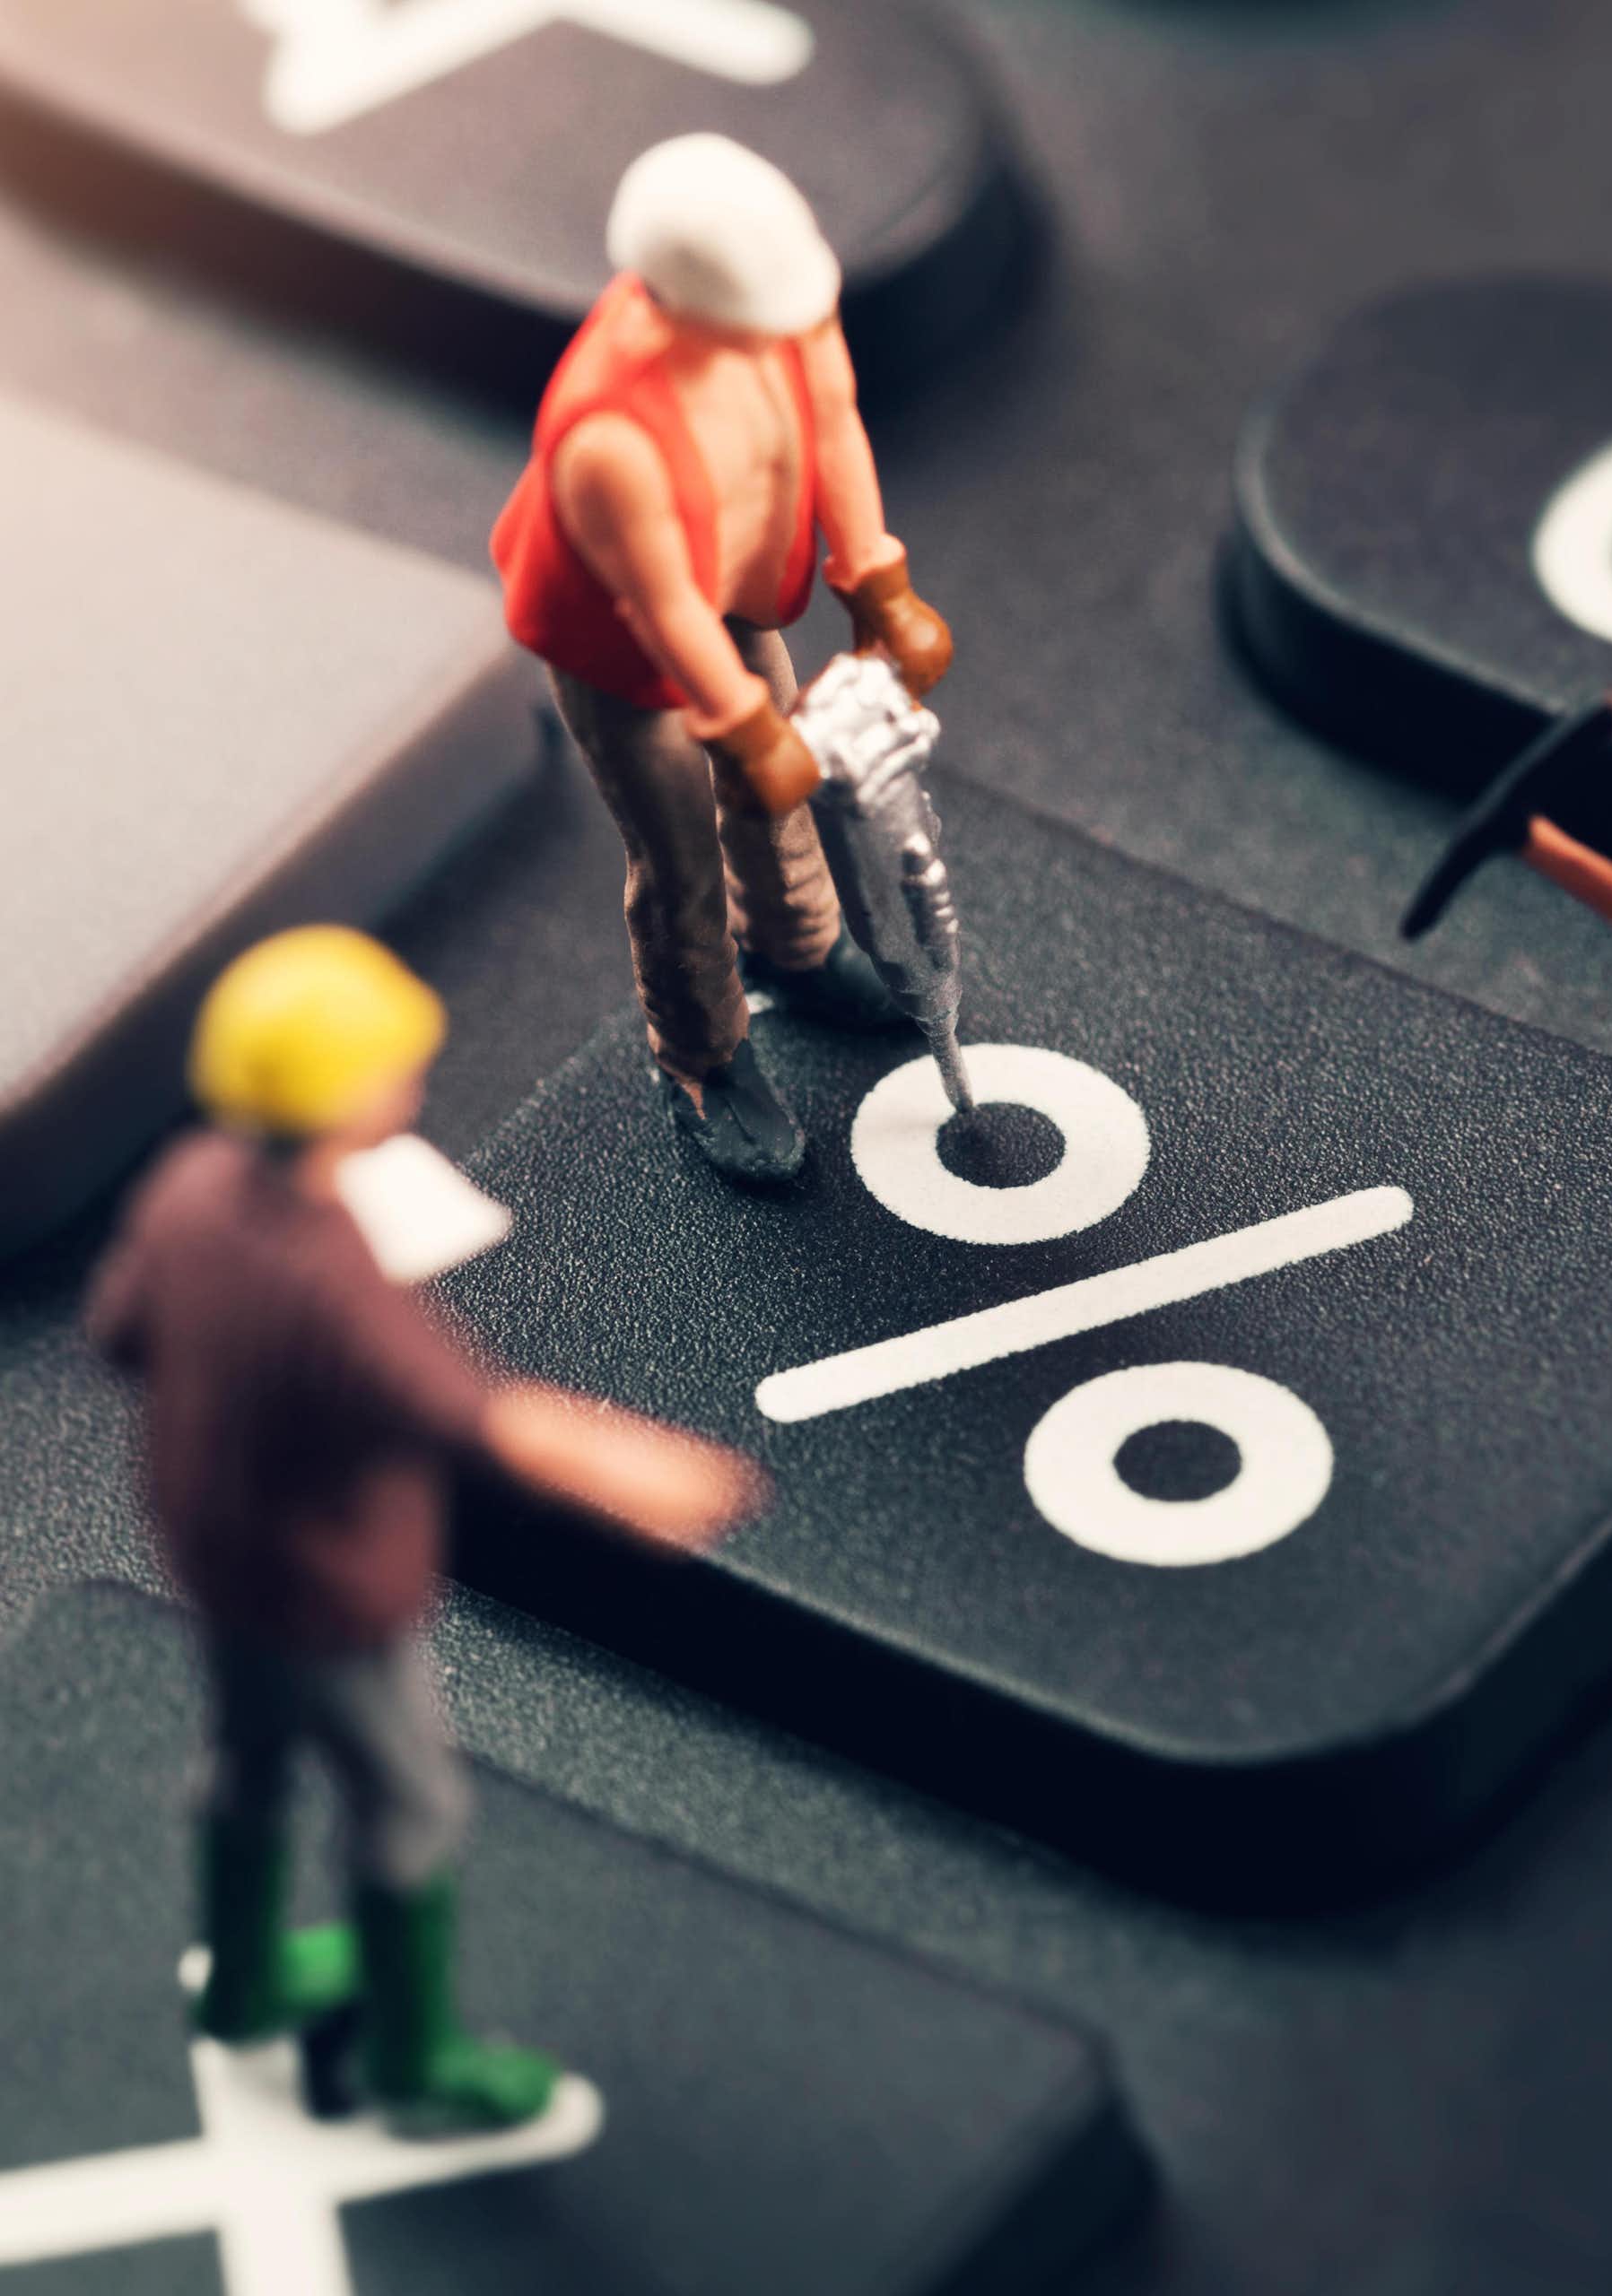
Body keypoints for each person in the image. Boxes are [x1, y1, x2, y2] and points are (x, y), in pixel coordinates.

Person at [86, 927, 761, 2129]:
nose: (413, 1082)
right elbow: (472, 1417)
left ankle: (241, 1979)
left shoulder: (188, 1186)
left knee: (244, 1759)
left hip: (214, 1554)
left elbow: (118, 1332)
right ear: (341, 1100)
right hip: (329, 1587)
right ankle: (411, 2058)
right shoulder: (328, 1274)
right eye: (394, 1068)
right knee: (412, 1805)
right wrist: (644, 1470)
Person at [492, 133, 953, 1186]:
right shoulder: (610, 438)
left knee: (781, 800)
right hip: (629, 660)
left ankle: (796, 942)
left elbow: (833, 423)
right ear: (680, 307)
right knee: (680, 857)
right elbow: (659, 608)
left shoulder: (783, 313)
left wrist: (877, 584)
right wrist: (742, 728)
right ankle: (699, 1056)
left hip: (735, 593)